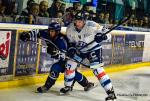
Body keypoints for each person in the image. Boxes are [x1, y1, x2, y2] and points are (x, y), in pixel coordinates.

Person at [20, 22, 95, 93]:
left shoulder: (61, 41)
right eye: (50, 31)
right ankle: (47, 86)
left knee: (66, 71)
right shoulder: (47, 33)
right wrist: (28, 35)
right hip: (66, 58)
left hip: (70, 59)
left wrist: (55, 53)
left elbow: (65, 56)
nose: (50, 33)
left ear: (57, 32)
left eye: (53, 31)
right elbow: (37, 32)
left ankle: (85, 84)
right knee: (59, 70)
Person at [59, 11, 117, 101]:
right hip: (80, 50)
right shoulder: (70, 28)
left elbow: (108, 34)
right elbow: (70, 43)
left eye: (80, 21)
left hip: (94, 49)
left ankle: (111, 93)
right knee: (69, 65)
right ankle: (68, 87)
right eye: (76, 21)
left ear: (84, 21)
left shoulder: (92, 25)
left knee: (97, 70)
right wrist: (71, 49)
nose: (77, 23)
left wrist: (102, 37)